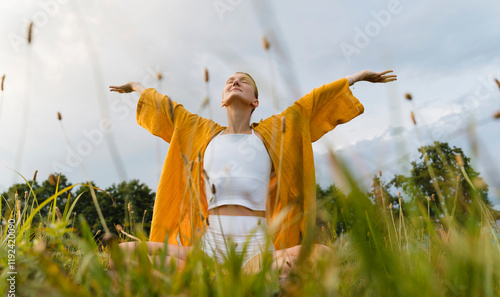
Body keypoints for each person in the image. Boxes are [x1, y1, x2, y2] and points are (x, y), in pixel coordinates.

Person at [108, 70, 396, 277]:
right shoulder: (202, 133)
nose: (235, 81)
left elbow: (310, 104)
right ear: (222, 100)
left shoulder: (271, 134)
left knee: (323, 255)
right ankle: (213, 277)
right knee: (122, 253)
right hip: (208, 249)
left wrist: (356, 78)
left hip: (257, 253)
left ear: (254, 102)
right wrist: (134, 85)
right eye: (230, 81)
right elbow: (166, 107)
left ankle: (225, 280)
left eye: (244, 81)